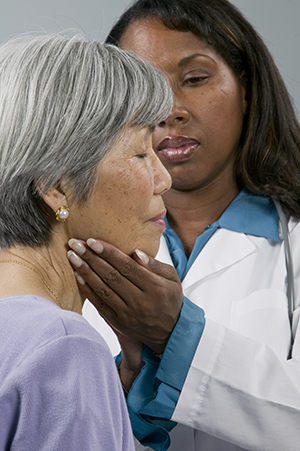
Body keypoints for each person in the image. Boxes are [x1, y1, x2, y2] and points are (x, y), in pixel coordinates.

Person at [68, 0, 300, 450]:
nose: (169, 110)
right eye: (144, 89)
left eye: (194, 79)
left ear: (247, 87)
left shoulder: (291, 242)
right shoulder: (72, 243)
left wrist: (175, 333)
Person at [0, 32, 174, 450]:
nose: (164, 178)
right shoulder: (63, 345)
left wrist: (119, 389)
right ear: (57, 187)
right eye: (139, 154)